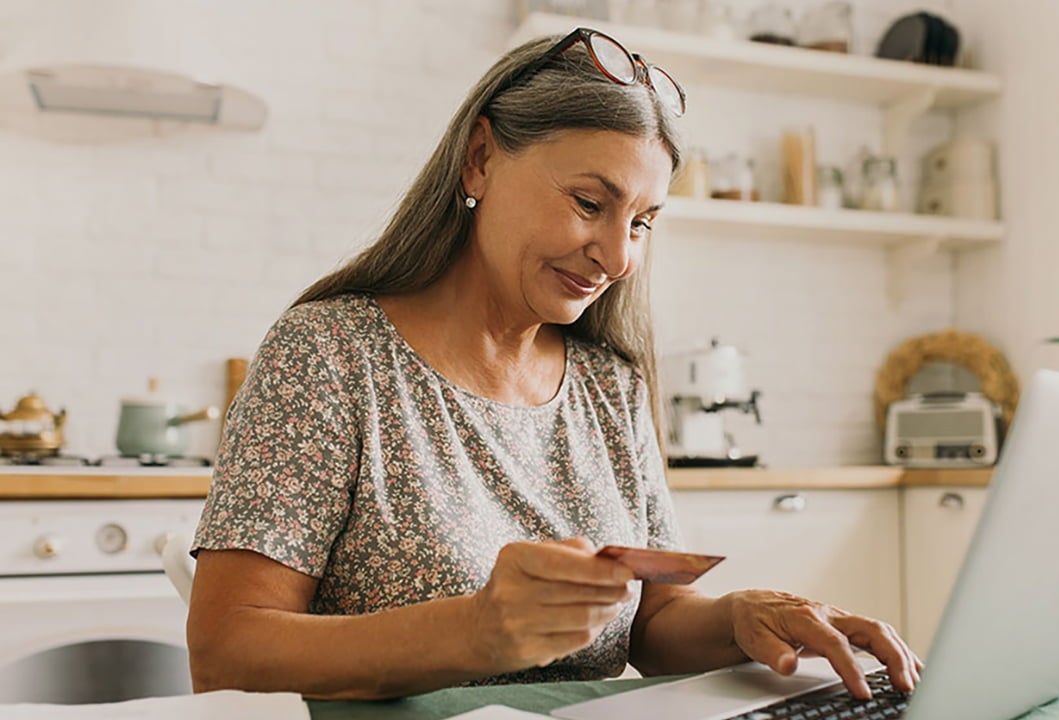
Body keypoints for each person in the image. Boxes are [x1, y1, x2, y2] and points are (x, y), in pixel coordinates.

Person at [186, 27, 922, 702]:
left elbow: (650, 623)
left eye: (641, 222)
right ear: (480, 159)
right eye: (588, 202)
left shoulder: (608, 383)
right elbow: (226, 653)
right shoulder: (330, 355)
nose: (620, 255)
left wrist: (744, 618)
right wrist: (474, 631)